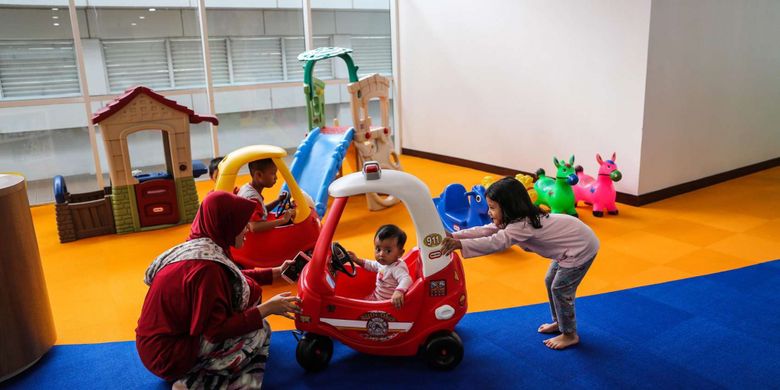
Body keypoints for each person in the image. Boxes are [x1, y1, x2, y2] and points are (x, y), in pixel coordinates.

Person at [136, 191, 301, 389]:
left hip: (154, 347)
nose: (247, 229)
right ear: (226, 223)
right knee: (259, 330)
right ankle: (195, 383)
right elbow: (215, 332)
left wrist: (275, 273)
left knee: (254, 322)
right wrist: (267, 308)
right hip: (169, 357)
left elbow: (232, 277)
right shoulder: (207, 270)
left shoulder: (199, 248)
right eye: (242, 224)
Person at [441, 177, 599, 350]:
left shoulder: (521, 225)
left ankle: (570, 334)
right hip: (571, 244)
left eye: (493, 208)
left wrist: (460, 245)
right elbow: (487, 229)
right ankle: (560, 322)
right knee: (550, 281)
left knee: (560, 289)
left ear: (508, 207)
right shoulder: (516, 220)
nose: (489, 212)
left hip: (580, 248)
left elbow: (495, 242)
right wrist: (456, 236)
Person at [347, 224, 412, 309]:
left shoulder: (397, 268)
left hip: (388, 304)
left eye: (388, 251)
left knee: (359, 310)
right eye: (378, 249)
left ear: (400, 253)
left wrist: (399, 292)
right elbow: (370, 265)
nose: (381, 254)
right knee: (358, 303)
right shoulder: (382, 263)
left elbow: (407, 279)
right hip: (376, 297)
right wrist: (356, 260)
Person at [236, 158, 295, 233]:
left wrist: (278, 200)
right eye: (273, 173)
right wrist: (283, 220)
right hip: (257, 241)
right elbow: (254, 227)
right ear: (259, 175)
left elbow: (261, 211)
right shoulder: (253, 198)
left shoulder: (246, 188)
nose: (276, 177)